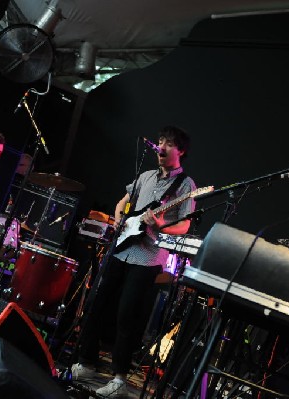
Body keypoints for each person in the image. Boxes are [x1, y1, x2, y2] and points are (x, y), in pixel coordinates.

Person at [71, 126, 197, 398]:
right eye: (160, 142)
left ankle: (119, 378)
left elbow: (186, 225)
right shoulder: (145, 175)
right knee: (97, 303)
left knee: (127, 315)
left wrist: (162, 225)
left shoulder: (186, 185)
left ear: (181, 151)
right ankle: (88, 361)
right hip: (121, 249)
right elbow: (122, 204)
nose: (161, 148)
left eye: (168, 144)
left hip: (148, 256)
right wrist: (119, 218)